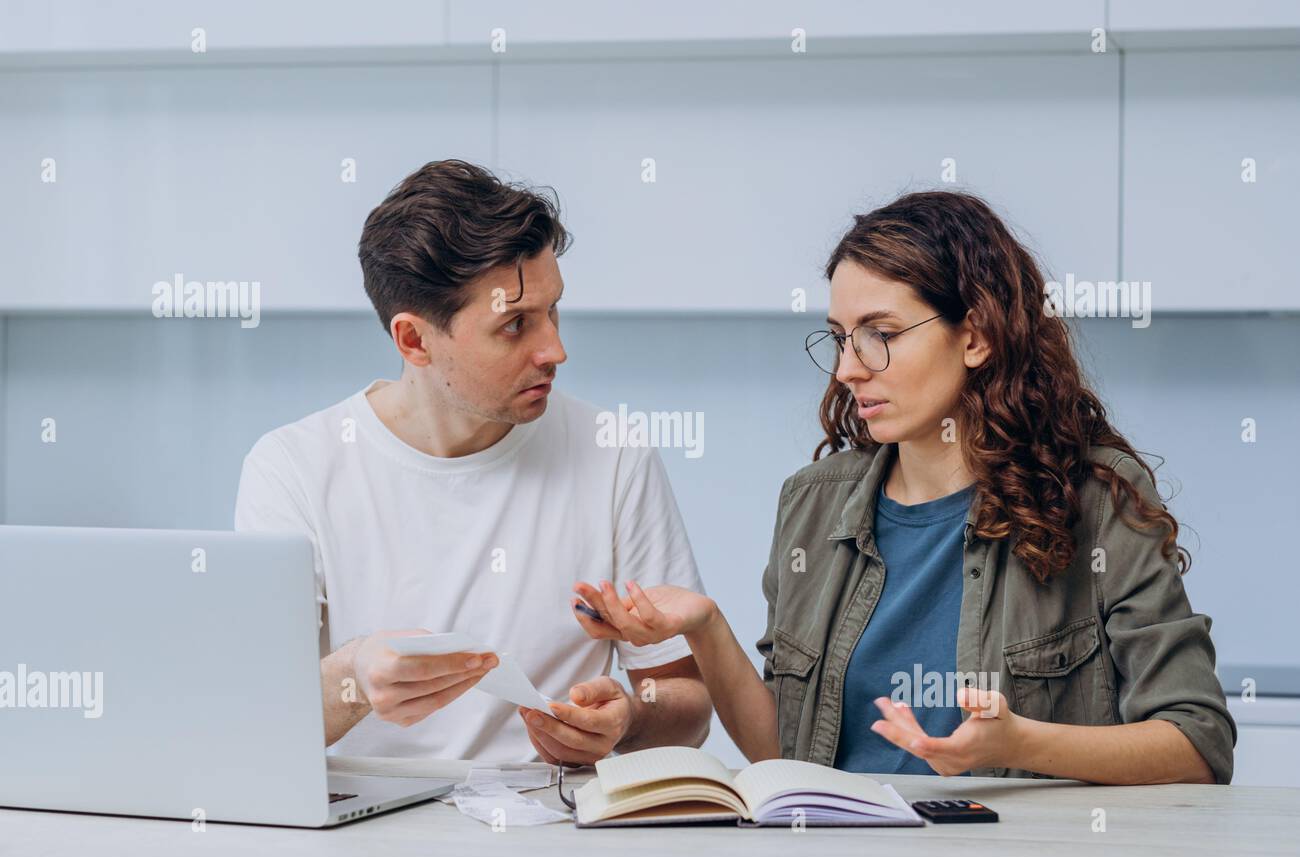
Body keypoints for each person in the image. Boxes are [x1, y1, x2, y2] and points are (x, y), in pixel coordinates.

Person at [571, 190, 1236, 784]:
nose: (846, 371)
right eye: (838, 339)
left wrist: (1024, 743)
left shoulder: (1098, 498)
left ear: (974, 336)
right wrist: (706, 629)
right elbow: (786, 756)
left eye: (880, 336)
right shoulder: (813, 502)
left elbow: (1196, 743)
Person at [234, 159, 711, 764]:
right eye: (514, 325)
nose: (555, 350)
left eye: (552, 311)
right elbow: (254, 719)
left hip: (554, 826)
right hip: (365, 831)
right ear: (414, 341)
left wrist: (632, 716)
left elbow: (688, 704)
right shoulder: (292, 468)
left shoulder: (615, 453)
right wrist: (355, 678)